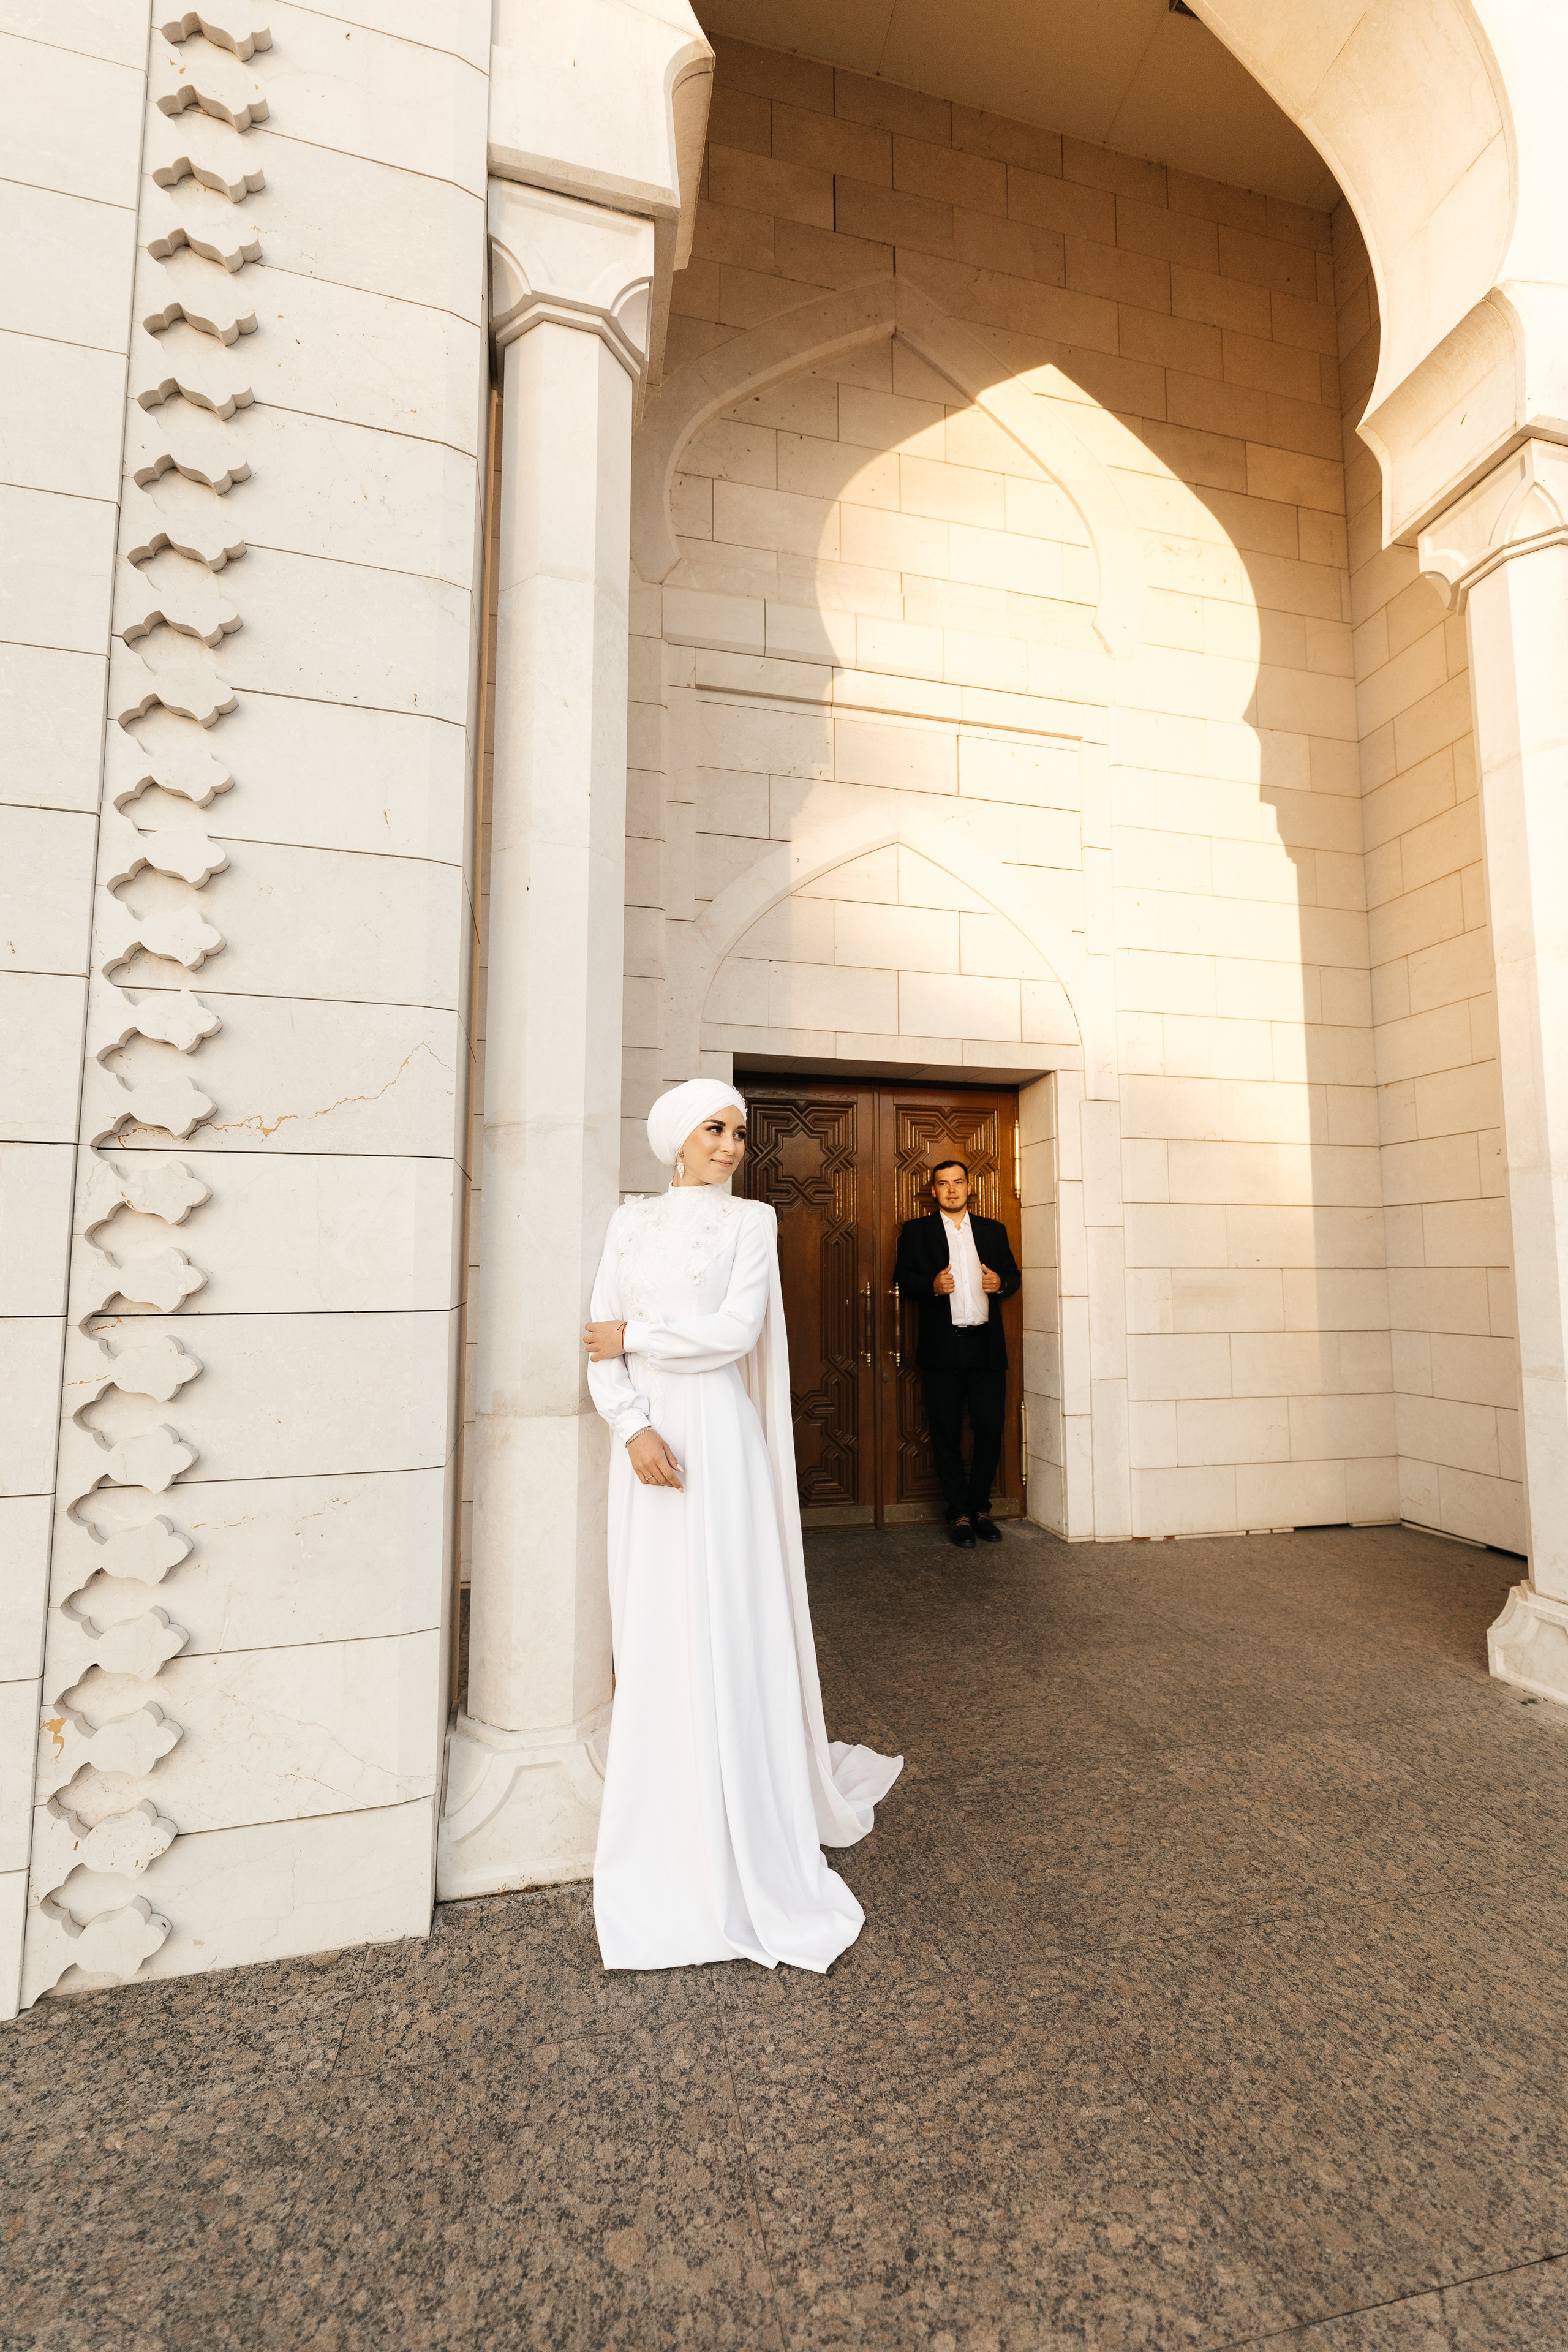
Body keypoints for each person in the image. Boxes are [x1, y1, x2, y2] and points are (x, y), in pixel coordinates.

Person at [581, 1077, 903, 1973]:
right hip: (647, 1436)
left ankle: (742, 1797)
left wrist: (635, 1339)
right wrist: (633, 1424)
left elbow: (733, 1331)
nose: (730, 1146)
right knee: (656, 1616)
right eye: (715, 1130)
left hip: (718, 1435)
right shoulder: (626, 1222)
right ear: (678, 1136)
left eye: (738, 1133)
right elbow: (593, 1339)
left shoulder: (752, 1221)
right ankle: (668, 1797)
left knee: (723, 1602)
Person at [894, 1157, 1022, 1550]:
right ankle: (959, 1515)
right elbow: (902, 1278)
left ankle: (981, 1510)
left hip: (986, 1346)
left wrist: (1000, 1282)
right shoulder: (917, 1231)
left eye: (959, 1182)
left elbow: (1013, 1277)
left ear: (969, 1188)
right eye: (943, 1184)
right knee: (946, 1433)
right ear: (933, 1192)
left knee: (989, 1429)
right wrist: (931, 1285)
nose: (952, 1189)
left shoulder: (993, 1231)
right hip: (942, 1348)